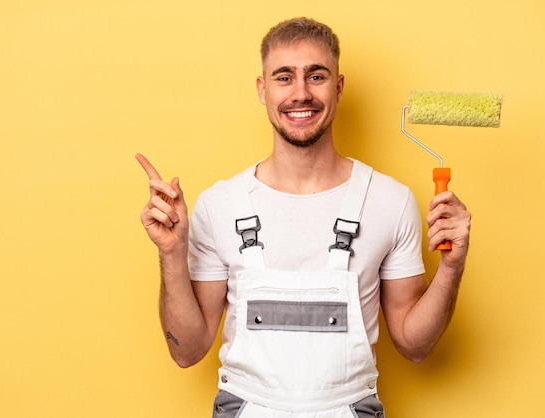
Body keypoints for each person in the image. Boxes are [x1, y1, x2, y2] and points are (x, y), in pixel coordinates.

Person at [136, 17, 470, 418]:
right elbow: (186, 352)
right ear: (263, 90)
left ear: (338, 87)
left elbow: (415, 347)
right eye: (283, 77)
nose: (300, 93)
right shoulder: (220, 205)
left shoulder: (389, 201)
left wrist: (452, 266)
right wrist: (171, 255)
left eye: (316, 76)